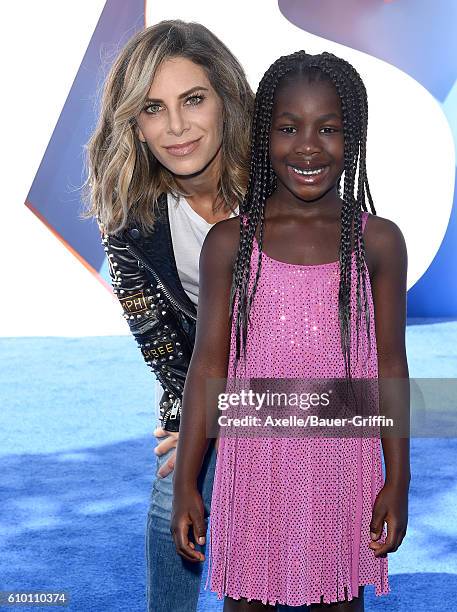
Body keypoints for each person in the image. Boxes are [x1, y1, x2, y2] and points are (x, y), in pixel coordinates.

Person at [171, 50, 411, 611]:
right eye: (287, 128)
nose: (307, 146)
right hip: (254, 468)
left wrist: (397, 479)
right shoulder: (230, 243)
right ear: (262, 136)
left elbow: (391, 367)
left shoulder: (379, 243)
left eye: (328, 128)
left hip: (341, 470)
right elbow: (208, 365)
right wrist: (186, 479)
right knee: (246, 602)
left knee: (338, 600)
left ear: (353, 139)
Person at [84, 20, 254, 612]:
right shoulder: (132, 222)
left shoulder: (288, 181)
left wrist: (236, 424)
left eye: (194, 100)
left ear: (227, 100)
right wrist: (202, 433)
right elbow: (171, 361)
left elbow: (346, 362)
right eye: (154, 108)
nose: (177, 127)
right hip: (207, 398)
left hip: (321, 398)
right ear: (134, 123)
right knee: (168, 506)